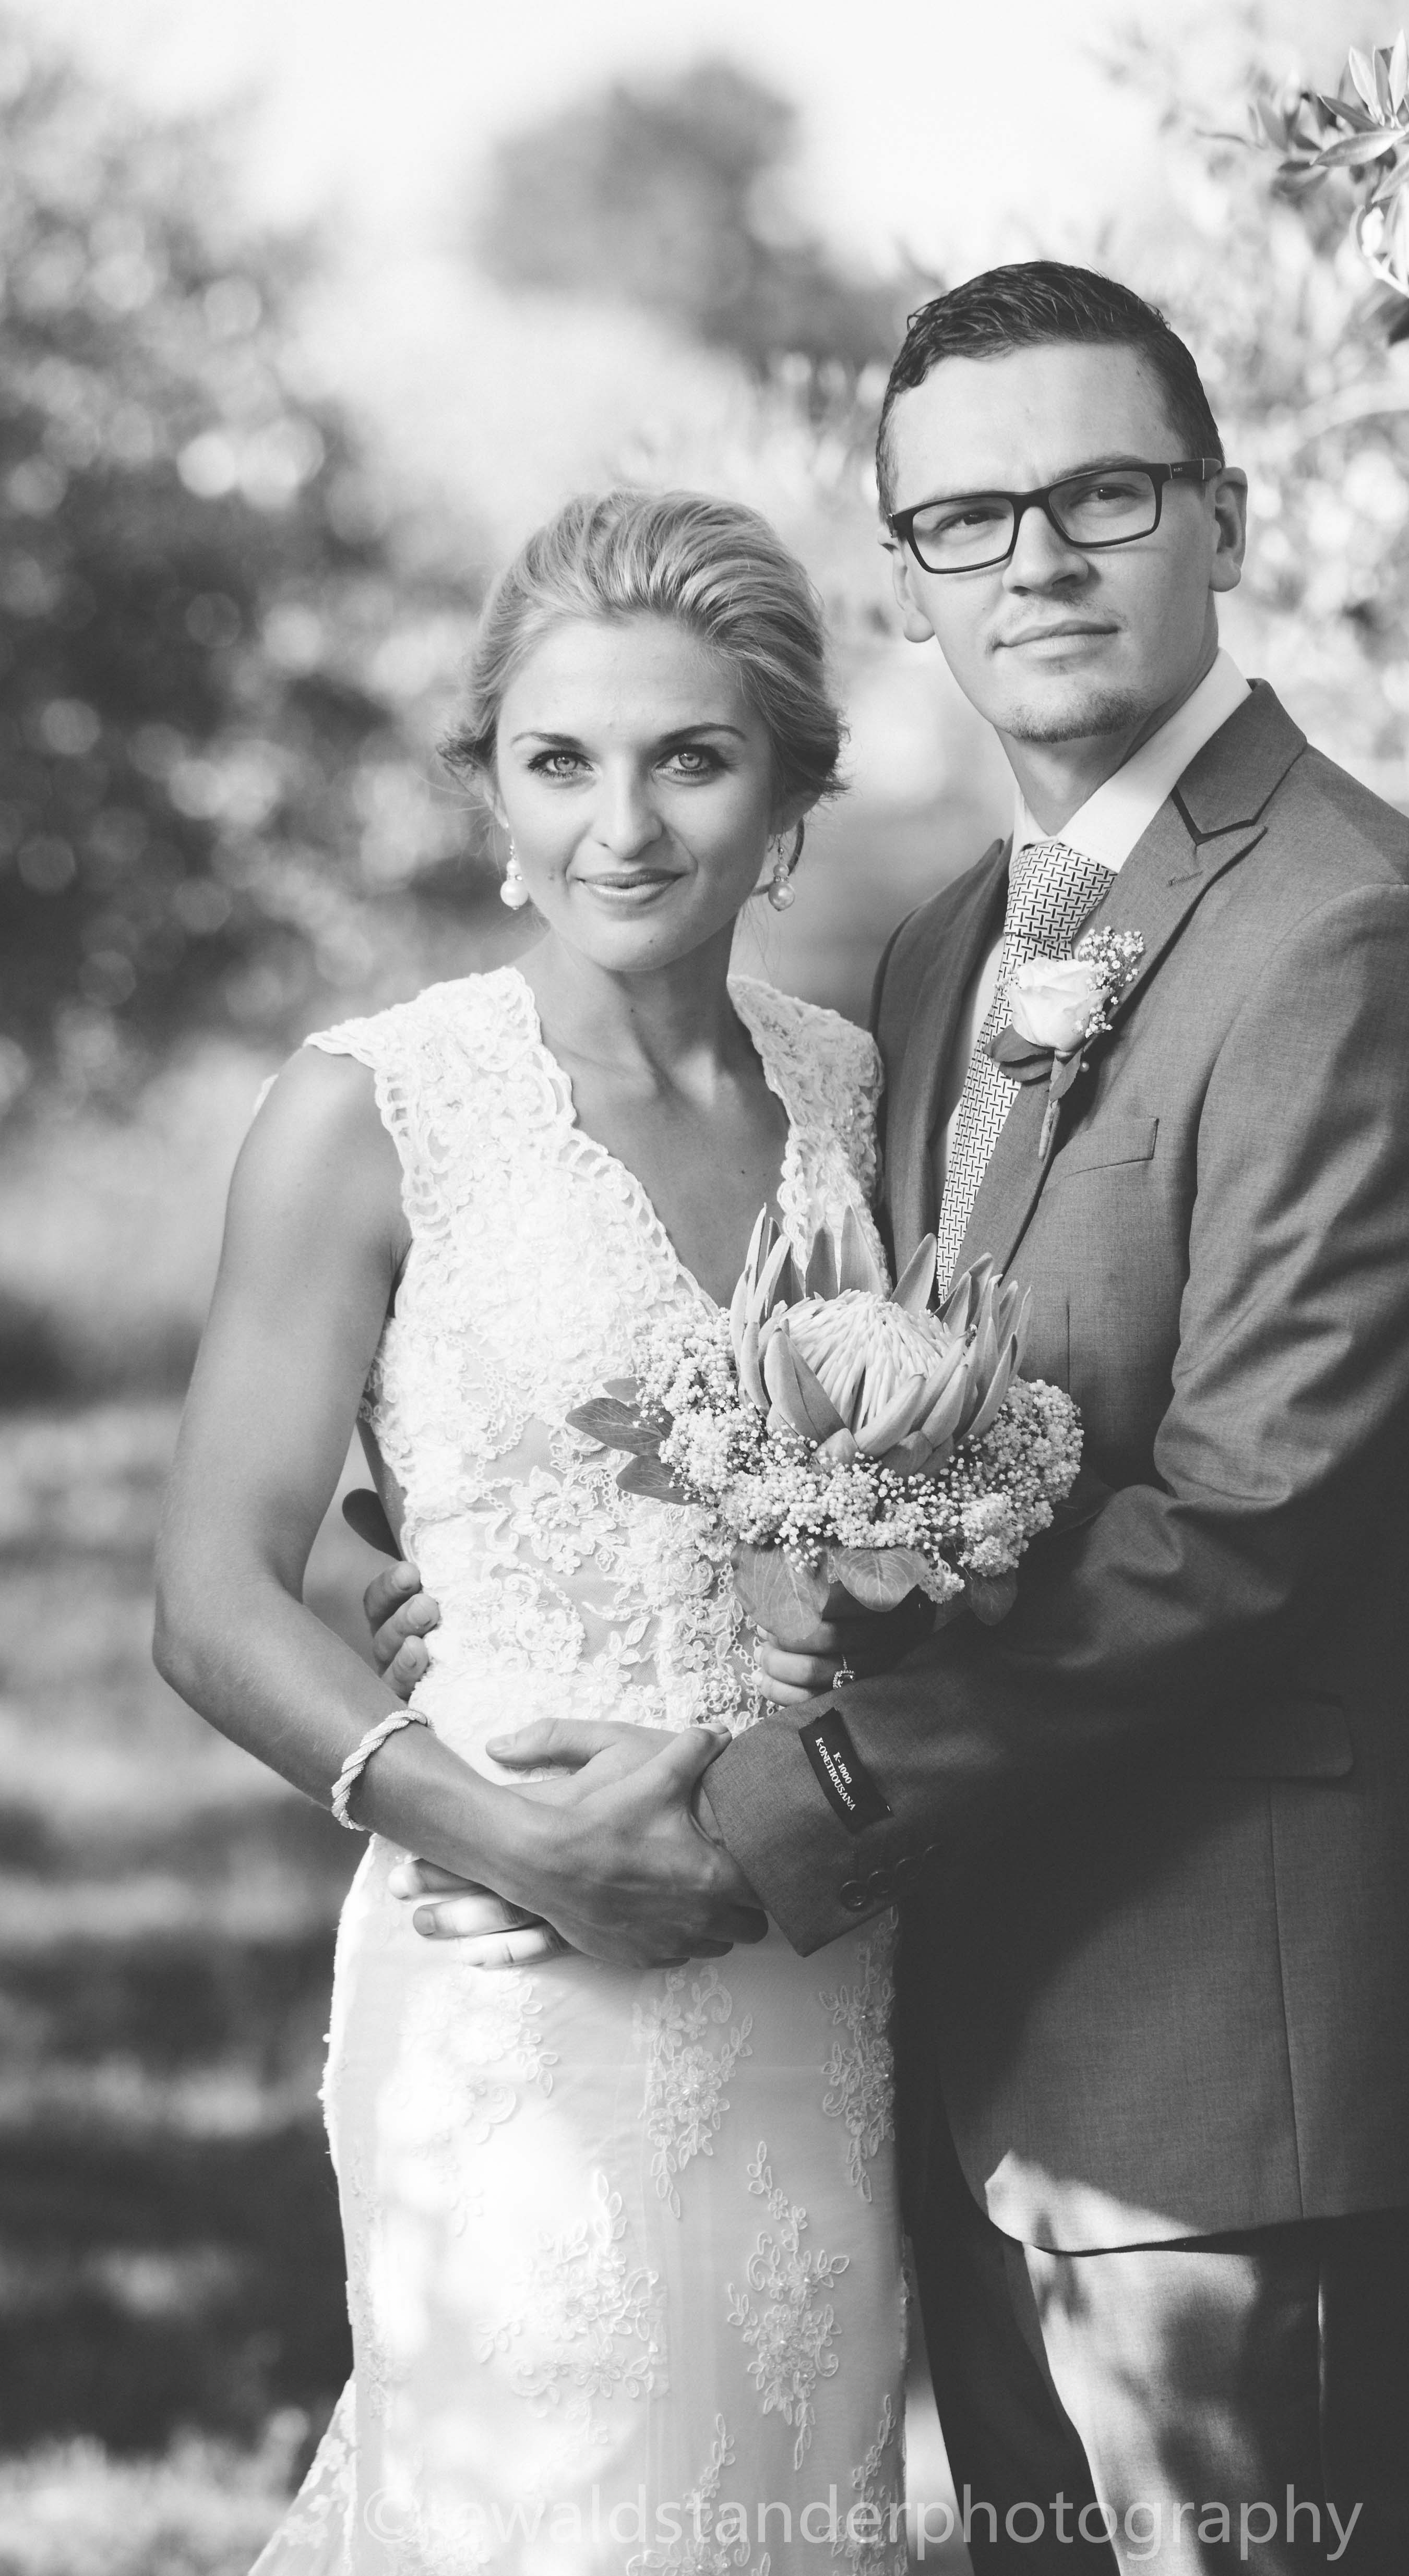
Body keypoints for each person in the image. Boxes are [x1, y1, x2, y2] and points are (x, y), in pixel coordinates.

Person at [374, 264, 1409, 2575]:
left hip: (1233, 2071)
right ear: (907, 579)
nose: (1041, 560)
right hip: (961, 2032)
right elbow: (865, 1417)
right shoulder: (945, 946)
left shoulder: (1353, 936)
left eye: (1104, 494)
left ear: (1223, 516)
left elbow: (1253, 1522)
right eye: (971, 518)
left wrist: (768, 1801)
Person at [153, 490, 913, 2575]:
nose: (622, 824)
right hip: (506, 1968)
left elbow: (899, 1492)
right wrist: (513, 1838)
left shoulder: (858, 1095)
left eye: (692, 758)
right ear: (489, 786)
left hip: (815, 1960)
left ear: (787, 794)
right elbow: (213, 1589)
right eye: (559, 759)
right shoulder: (369, 1105)